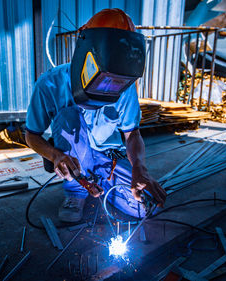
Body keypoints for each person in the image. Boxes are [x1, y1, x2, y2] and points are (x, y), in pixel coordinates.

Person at [25, 8, 166, 223]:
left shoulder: (124, 86)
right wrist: (55, 156)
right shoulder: (50, 83)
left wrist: (139, 169)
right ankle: (76, 190)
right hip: (74, 157)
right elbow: (31, 135)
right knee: (68, 117)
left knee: (146, 207)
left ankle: (102, 181)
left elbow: (132, 133)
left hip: (110, 157)